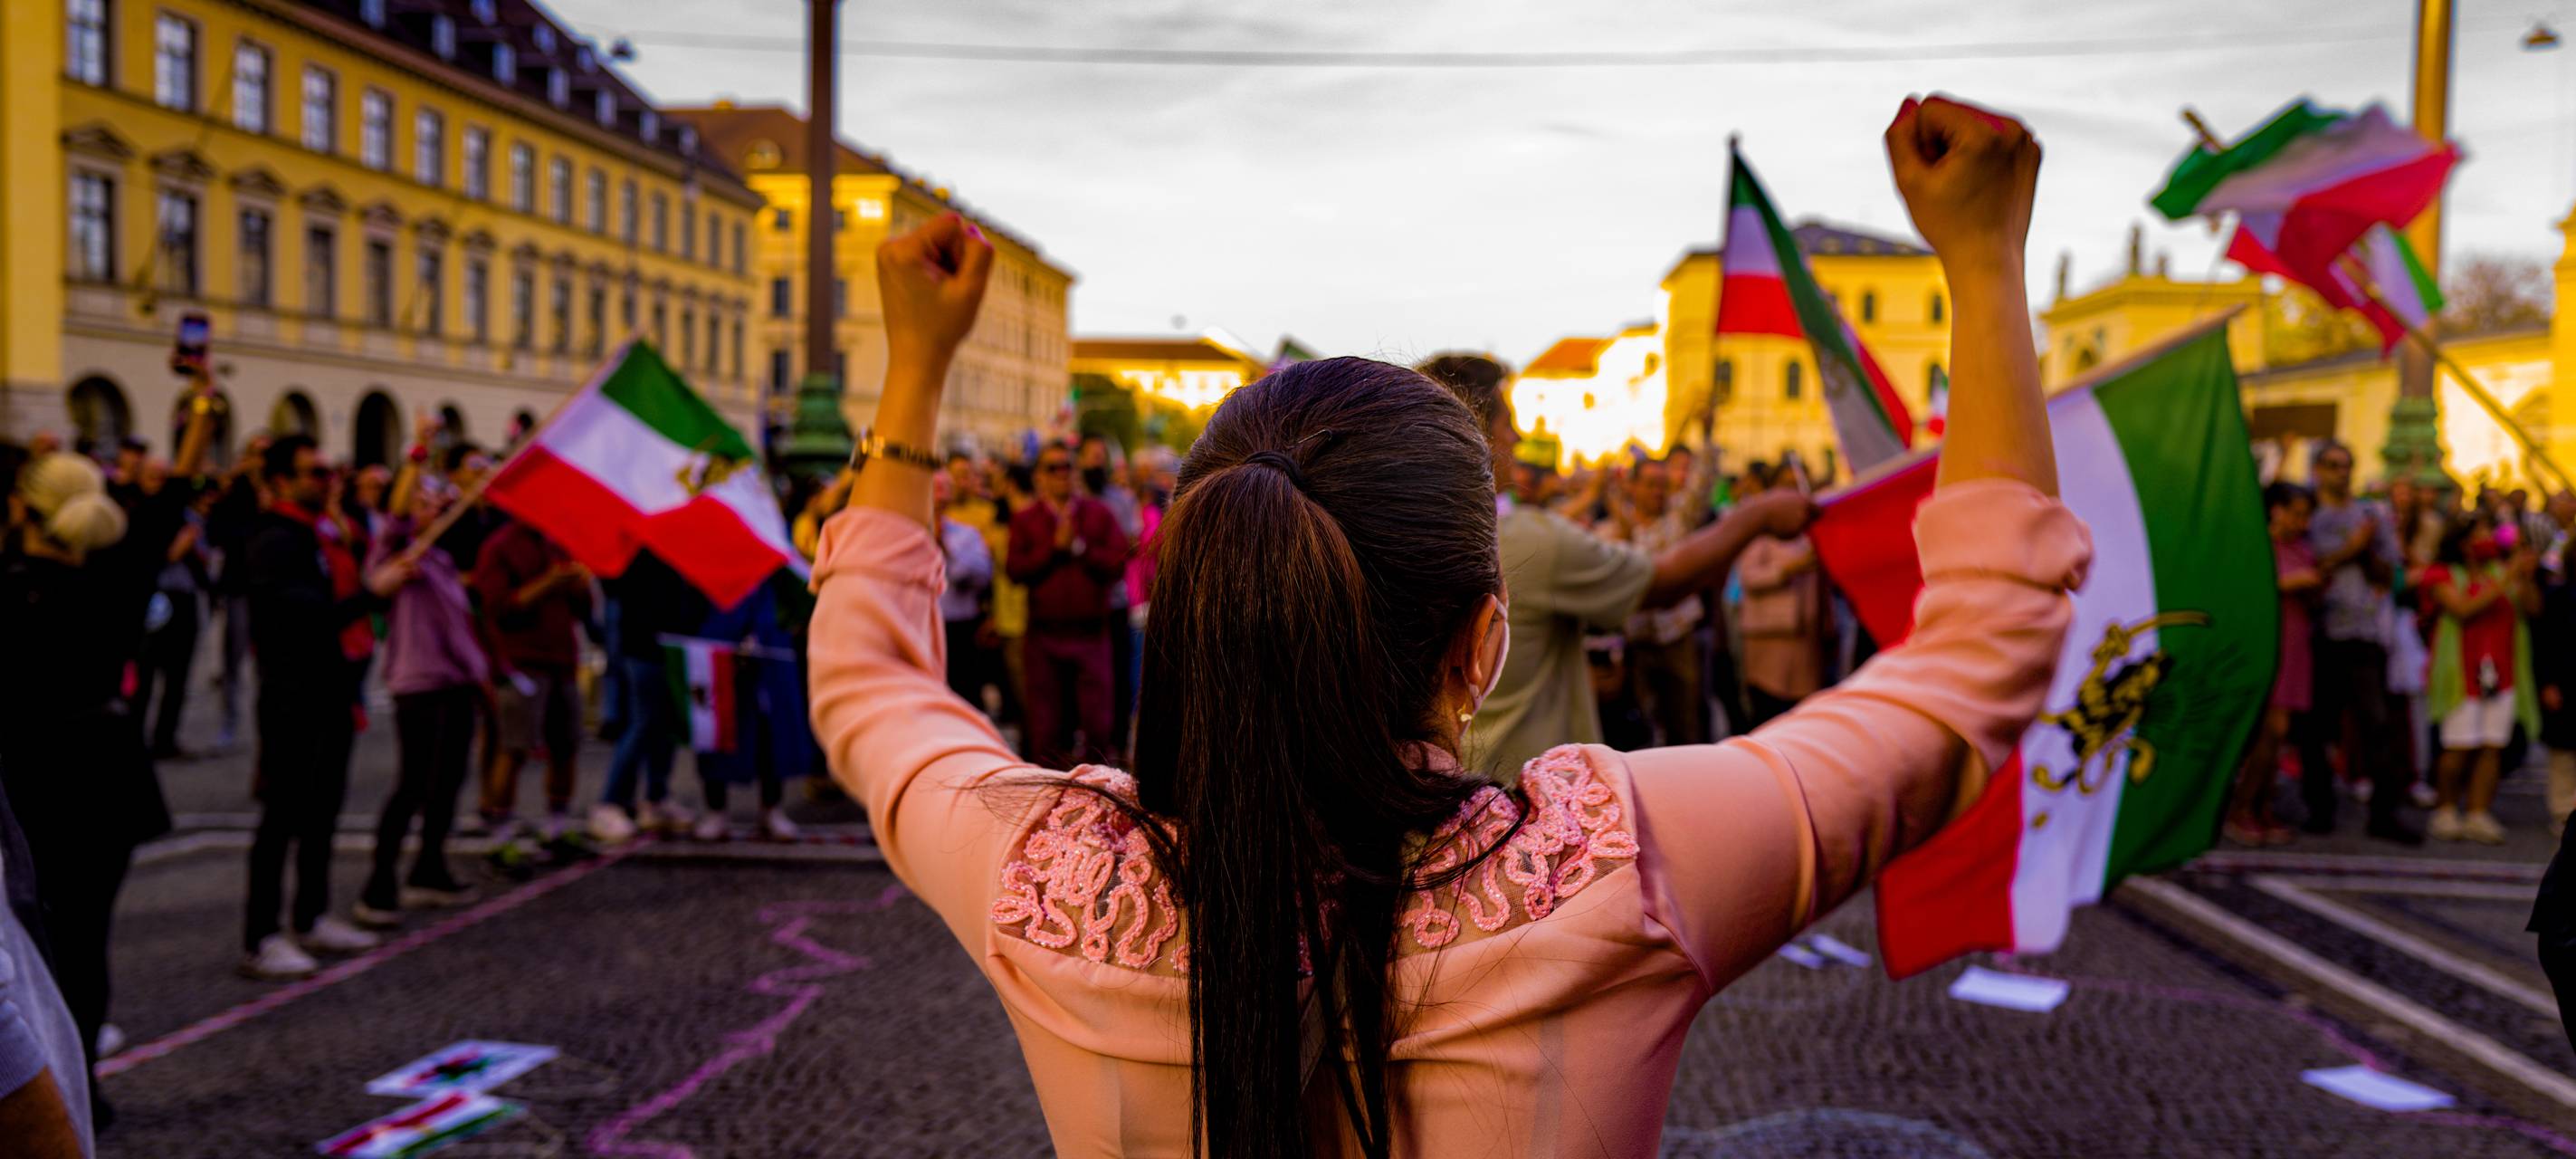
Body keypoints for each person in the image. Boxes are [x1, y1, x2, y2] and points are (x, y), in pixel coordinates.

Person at [806, 96, 2079, 1154]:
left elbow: (867, 685)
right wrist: (1982, 264)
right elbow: (1974, 666)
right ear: (1481, 645)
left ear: (1190, 612)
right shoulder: (1618, 871)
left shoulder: (1040, 875)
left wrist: (914, 370)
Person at [1417, 357, 1811, 777]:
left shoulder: (1408, 533)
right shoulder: (1528, 540)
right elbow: (1662, 581)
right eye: (1507, 423)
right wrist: (1759, 515)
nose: (1517, 437)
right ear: (1478, 435)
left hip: (1444, 788)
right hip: (1528, 794)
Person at [0, 448, 157, 1129]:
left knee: (33, 948)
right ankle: (85, 1080)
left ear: (24, 509)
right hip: (106, 771)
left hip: (35, 776)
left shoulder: (14, 588)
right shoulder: (115, 576)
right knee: (88, 938)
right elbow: (159, 511)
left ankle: (51, 1088)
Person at [240, 436, 410, 980]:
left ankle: (311, 915)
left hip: (334, 685)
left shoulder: (326, 530)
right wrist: (372, 594)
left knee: (323, 809)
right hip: (292, 693)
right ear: (281, 482)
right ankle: (261, 936)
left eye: (330, 470)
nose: (328, 480)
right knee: (282, 815)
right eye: (314, 473)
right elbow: (301, 615)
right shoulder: (274, 538)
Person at [352, 471, 487, 927]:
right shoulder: (397, 553)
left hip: (455, 681)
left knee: (448, 781)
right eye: (424, 502)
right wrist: (419, 452)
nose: (435, 508)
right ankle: (379, 885)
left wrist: (479, 675)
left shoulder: (440, 560)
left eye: (437, 501)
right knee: (413, 783)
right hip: (419, 683)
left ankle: (429, 867)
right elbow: (395, 518)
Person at [2301, 441, 2422, 843]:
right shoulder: (2309, 515)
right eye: (2334, 465)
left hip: (2365, 634)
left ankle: (2384, 815)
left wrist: (2367, 551)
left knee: (2376, 724)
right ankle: (2319, 808)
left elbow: (2391, 575)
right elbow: (2304, 566)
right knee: (2317, 728)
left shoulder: (2370, 516)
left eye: (2347, 465)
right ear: (2318, 469)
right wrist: (2350, 549)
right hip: (2320, 632)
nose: (2342, 472)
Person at [1005, 443, 1129, 768]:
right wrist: (1052, 549)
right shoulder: (1027, 519)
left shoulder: (1098, 513)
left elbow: (1119, 562)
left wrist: (1080, 548)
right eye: (1053, 468)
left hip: (1091, 635)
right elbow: (1015, 570)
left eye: (1067, 467)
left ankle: (1096, 791)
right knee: (1046, 729)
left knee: (1098, 725)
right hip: (1045, 637)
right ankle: (1050, 791)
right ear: (1039, 476)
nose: (1062, 474)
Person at [2422, 512, 2541, 844]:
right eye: (2482, 531)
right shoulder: (2443, 574)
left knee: (2492, 746)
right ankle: (2446, 809)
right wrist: (2506, 578)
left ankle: (2478, 812)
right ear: (2463, 542)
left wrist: (2525, 578)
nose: (2489, 537)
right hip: (2462, 674)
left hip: (2501, 673)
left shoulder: (2502, 571)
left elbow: (2532, 609)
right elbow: (2463, 609)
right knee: (2458, 746)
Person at [472, 514, 590, 838]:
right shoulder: (499, 547)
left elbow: (583, 610)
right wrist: (548, 583)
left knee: (566, 746)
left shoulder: (558, 543)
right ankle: (501, 833)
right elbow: (497, 608)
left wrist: (579, 586)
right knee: (514, 748)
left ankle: (557, 826)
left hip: (562, 660)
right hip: (521, 662)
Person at [2227, 484, 2321, 846]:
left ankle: (2262, 807)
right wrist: (2288, 583)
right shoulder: (2256, 543)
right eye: (2297, 513)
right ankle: (2242, 808)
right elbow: (2245, 587)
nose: (2302, 522)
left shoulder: (2302, 549)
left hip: (2295, 644)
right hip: (2266, 642)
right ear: (2277, 510)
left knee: (2279, 735)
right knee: (2269, 730)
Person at [592, 553, 708, 842]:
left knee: (665, 725)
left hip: (671, 644)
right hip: (644, 647)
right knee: (643, 723)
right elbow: (617, 590)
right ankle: (611, 802)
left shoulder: (675, 553)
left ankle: (656, 797)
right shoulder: (640, 553)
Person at [1617, 459, 1710, 747]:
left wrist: (1707, 440)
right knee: (1641, 728)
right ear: (1632, 487)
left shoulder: (1677, 522)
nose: (1658, 492)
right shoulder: (1618, 528)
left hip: (1677, 637)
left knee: (1684, 725)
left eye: (1663, 485)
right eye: (1650, 484)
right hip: (1637, 642)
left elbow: (1701, 486)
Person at [936, 472, 997, 710]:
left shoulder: (966, 534)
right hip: (920, 629)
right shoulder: (905, 534)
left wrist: (946, 551)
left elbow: (981, 575)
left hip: (960, 627)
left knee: (965, 698)